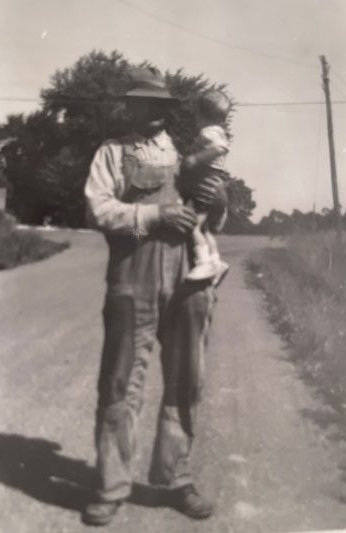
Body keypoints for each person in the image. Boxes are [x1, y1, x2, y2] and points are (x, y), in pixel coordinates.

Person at [83, 67, 226, 526]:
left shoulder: (188, 155)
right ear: (131, 106)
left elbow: (210, 220)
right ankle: (111, 486)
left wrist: (217, 197)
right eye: (145, 104)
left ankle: (176, 478)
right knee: (120, 386)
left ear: (169, 110)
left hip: (188, 278)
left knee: (186, 380)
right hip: (132, 279)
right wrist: (153, 214)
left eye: (162, 106)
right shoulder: (112, 153)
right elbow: (98, 208)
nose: (155, 113)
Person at [182, 89, 232, 284]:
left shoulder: (208, 132)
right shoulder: (218, 131)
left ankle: (204, 263)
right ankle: (216, 261)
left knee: (193, 226)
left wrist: (196, 158)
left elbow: (220, 148)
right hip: (216, 187)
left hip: (207, 186)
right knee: (205, 229)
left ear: (202, 115)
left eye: (196, 115)